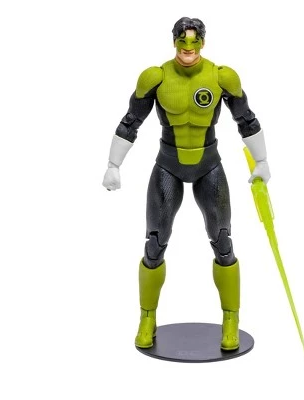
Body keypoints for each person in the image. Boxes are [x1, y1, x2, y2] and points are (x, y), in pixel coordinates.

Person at [102, 17, 271, 351]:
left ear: (203, 43)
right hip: (168, 166)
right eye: (183, 42)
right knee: (155, 244)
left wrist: (262, 161)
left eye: (194, 43)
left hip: (209, 166)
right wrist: (113, 164)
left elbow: (246, 119)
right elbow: (131, 121)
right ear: (174, 42)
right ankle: (147, 317)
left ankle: (231, 319)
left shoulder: (222, 77)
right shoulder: (156, 77)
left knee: (223, 242)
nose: (188, 49)